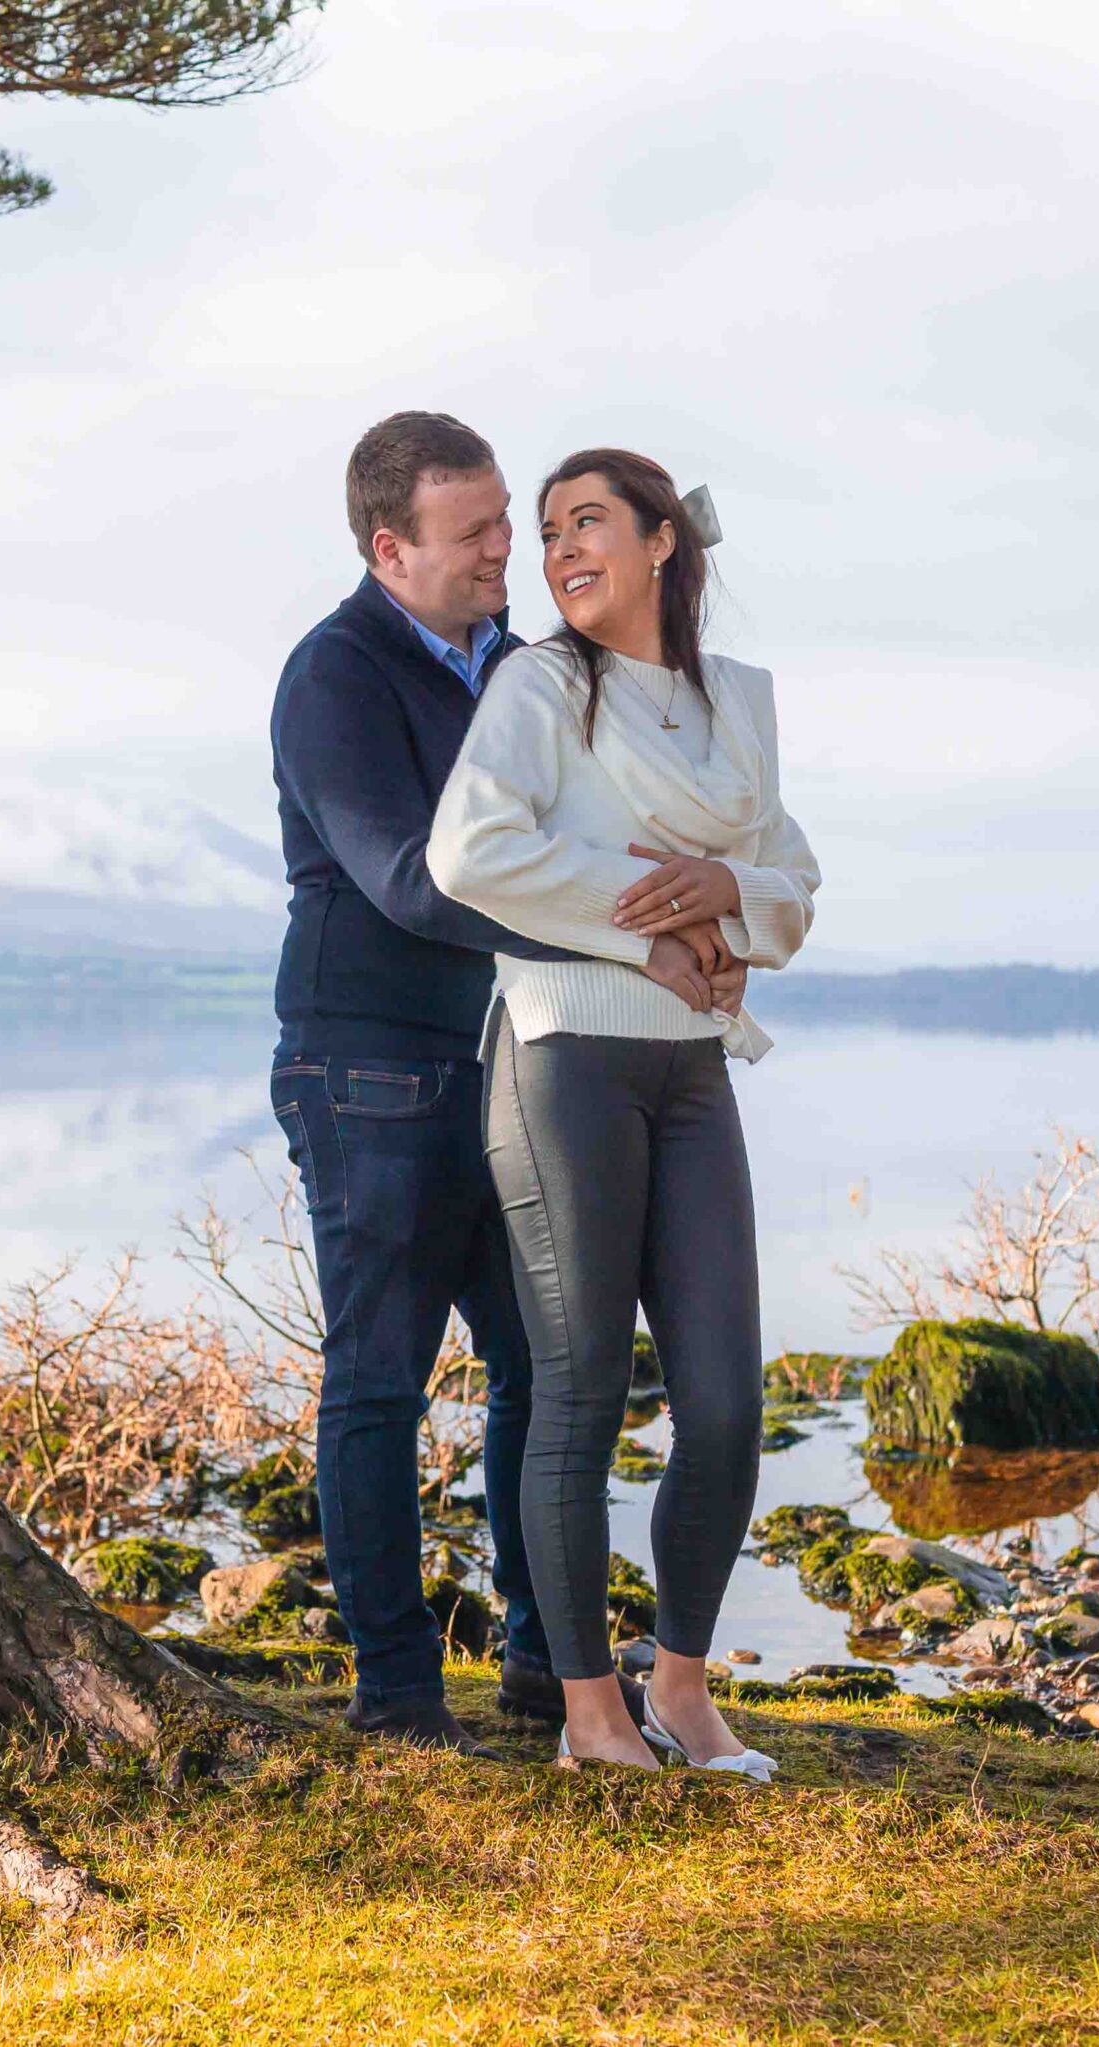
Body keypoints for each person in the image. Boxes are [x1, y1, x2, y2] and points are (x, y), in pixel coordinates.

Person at [270, 413, 741, 1754]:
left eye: (512, 527)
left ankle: (549, 1667)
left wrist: (712, 908)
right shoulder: (336, 678)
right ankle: (400, 1693)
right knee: (380, 1379)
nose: (507, 554)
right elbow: (424, 882)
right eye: (477, 535)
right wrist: (643, 933)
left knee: (544, 1364)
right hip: (368, 1068)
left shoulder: (528, 671)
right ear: (388, 547)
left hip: (517, 1057)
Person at [426, 446, 821, 1774]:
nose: (558, 551)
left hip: (694, 1068)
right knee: (581, 1389)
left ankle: (685, 1688)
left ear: (663, 542)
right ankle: (593, 1714)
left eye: (588, 522)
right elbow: (469, 852)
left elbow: (792, 884)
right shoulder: (539, 685)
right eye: (547, 532)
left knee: (722, 1402)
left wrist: (722, 891)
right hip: (563, 1057)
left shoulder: (741, 703)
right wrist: (639, 930)